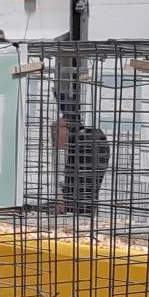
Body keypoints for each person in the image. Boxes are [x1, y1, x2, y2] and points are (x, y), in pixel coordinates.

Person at [54, 88, 109, 216]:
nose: (54, 135)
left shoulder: (87, 141)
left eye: (58, 129)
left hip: (81, 206)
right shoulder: (76, 143)